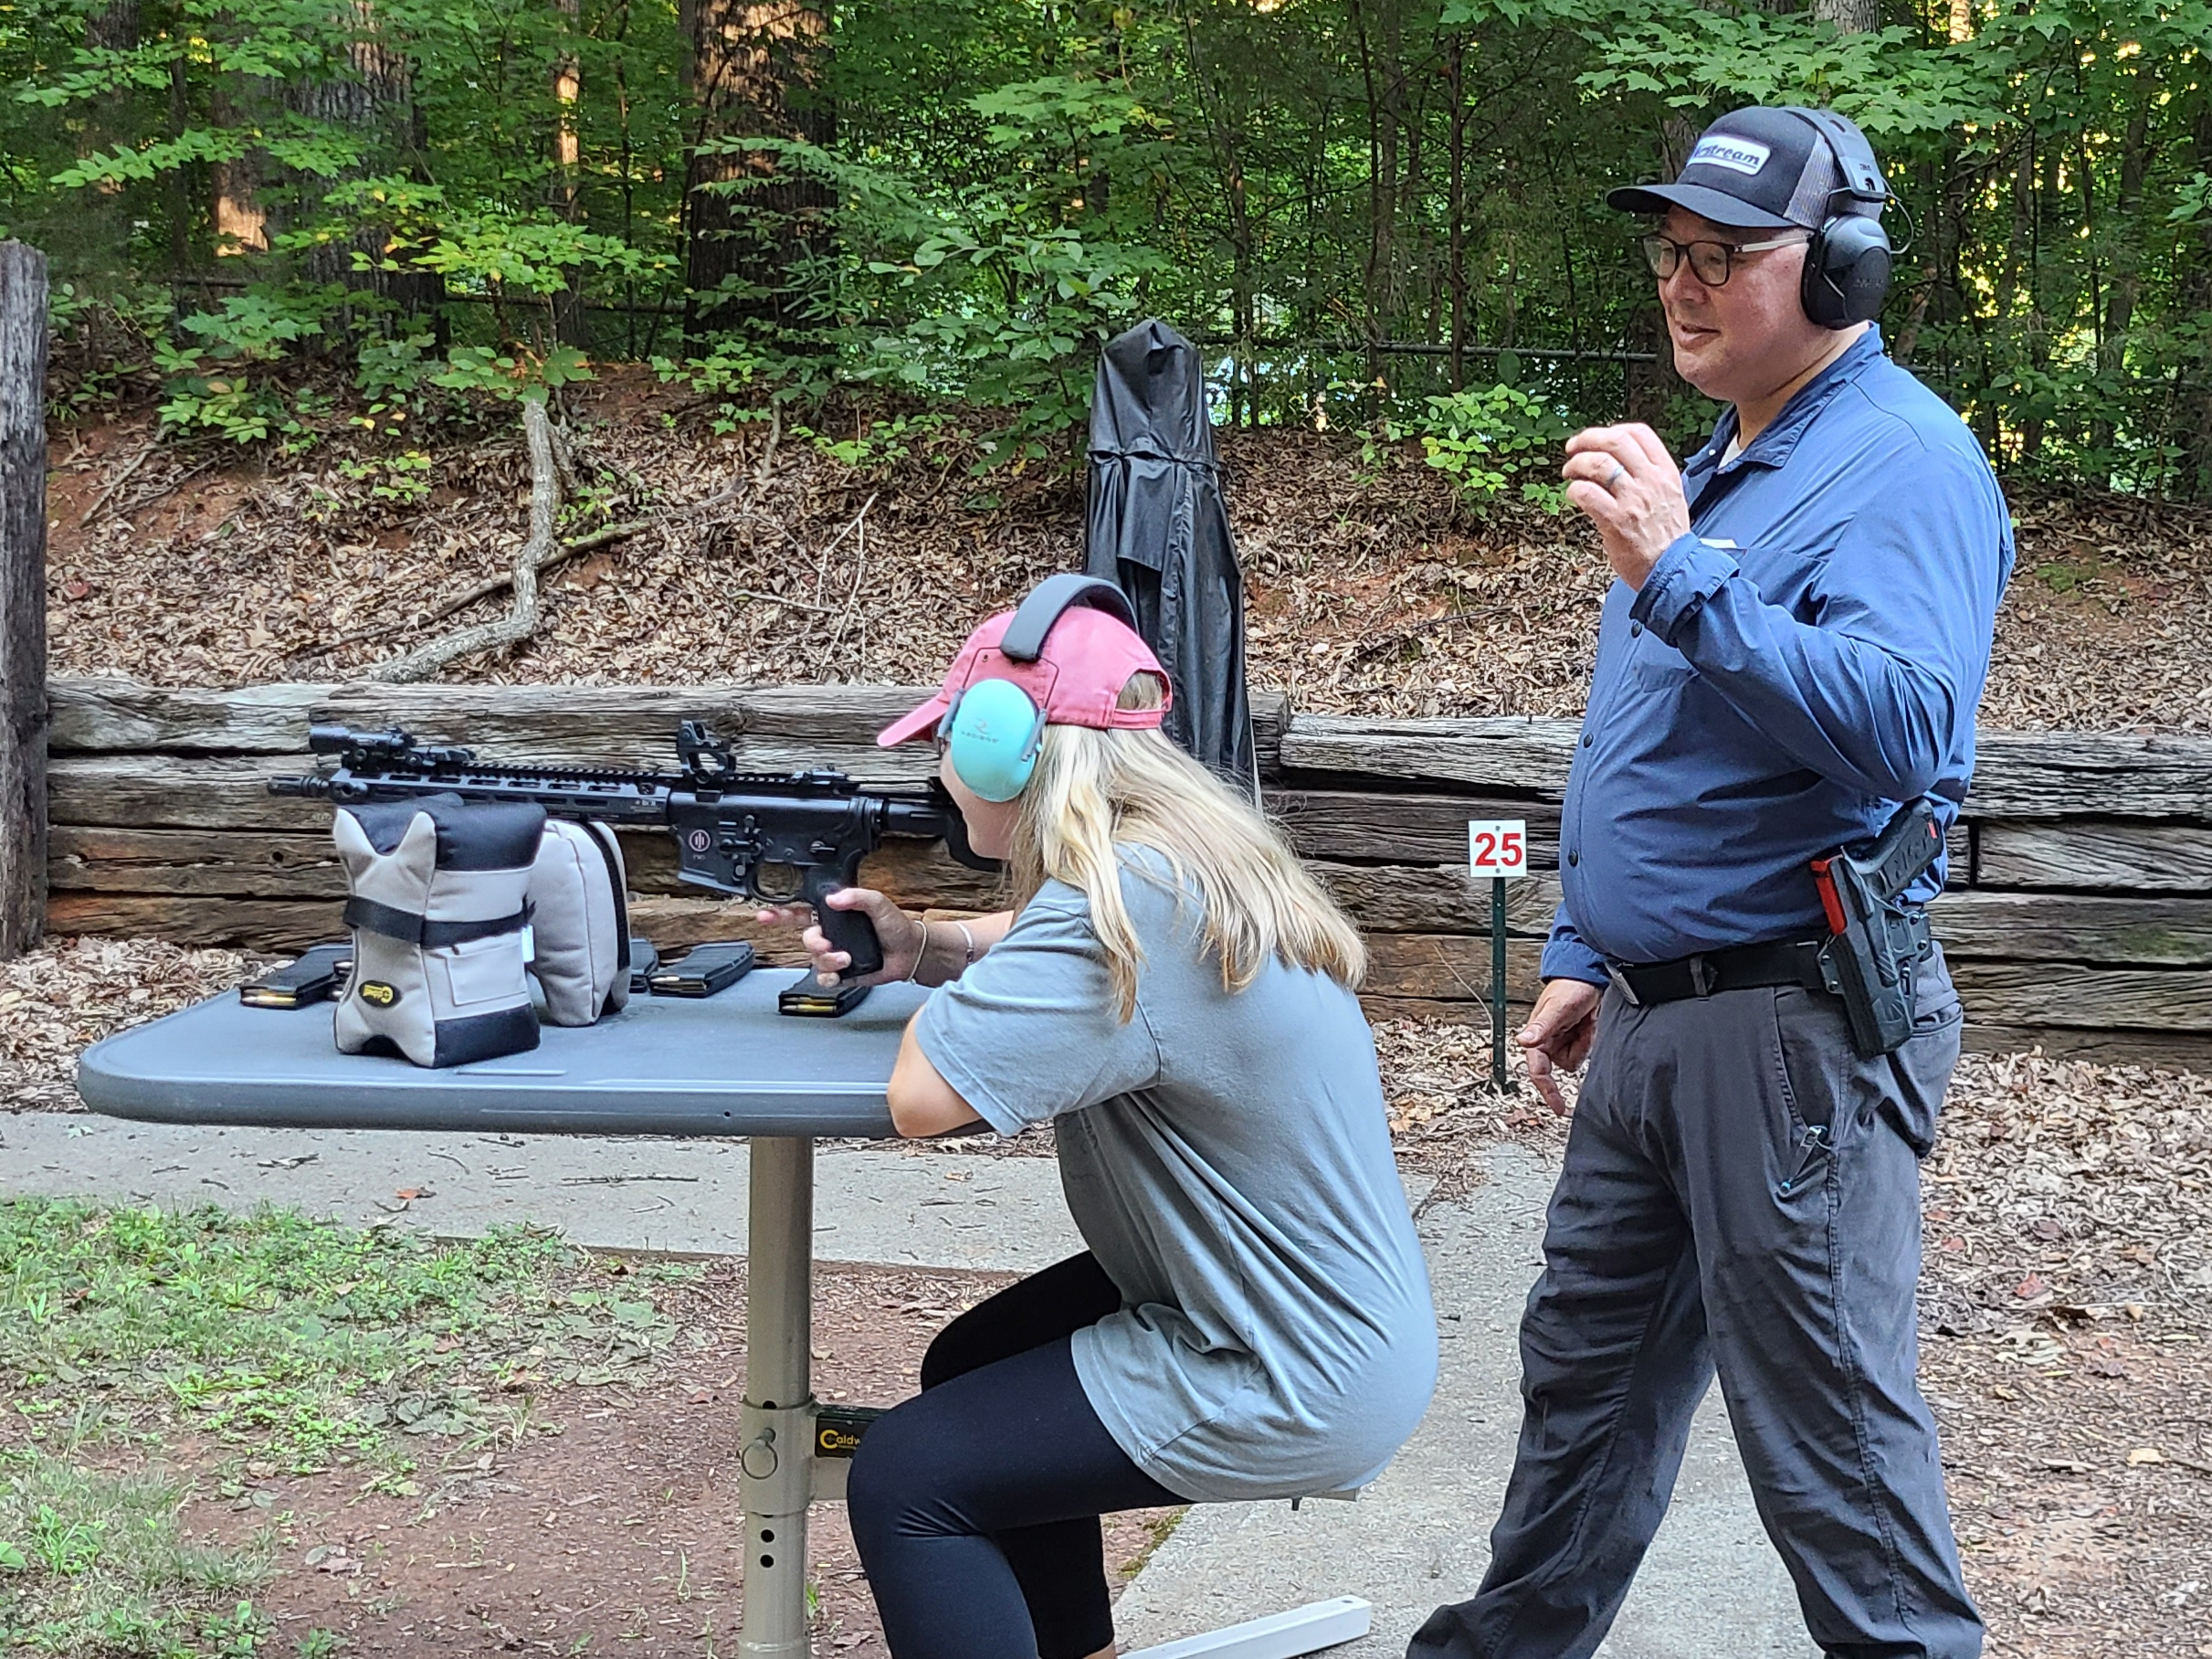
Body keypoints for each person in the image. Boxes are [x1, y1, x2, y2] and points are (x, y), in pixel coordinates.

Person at [1407, 107, 2012, 1659]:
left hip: (1789, 1025)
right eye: (1670, 252)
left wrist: (1677, 573)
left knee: (1828, 1438)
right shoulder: (1718, 470)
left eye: (1727, 255)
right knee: (1584, 1390)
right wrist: (1580, 944)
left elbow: (1907, 727)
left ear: (1841, 269)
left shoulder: (1903, 463)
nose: (1683, 284)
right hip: (1653, 1017)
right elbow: (1648, 742)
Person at [760, 577, 1438, 1659]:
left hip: (1283, 1362)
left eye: (948, 740)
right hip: (1318, 1305)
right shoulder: (1182, 859)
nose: (939, 767)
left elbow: (924, 1099)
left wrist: (957, 990)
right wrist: (927, 945)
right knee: (980, 1361)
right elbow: (1052, 932)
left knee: (909, 1478)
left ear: (1006, 752)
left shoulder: (1115, 908)